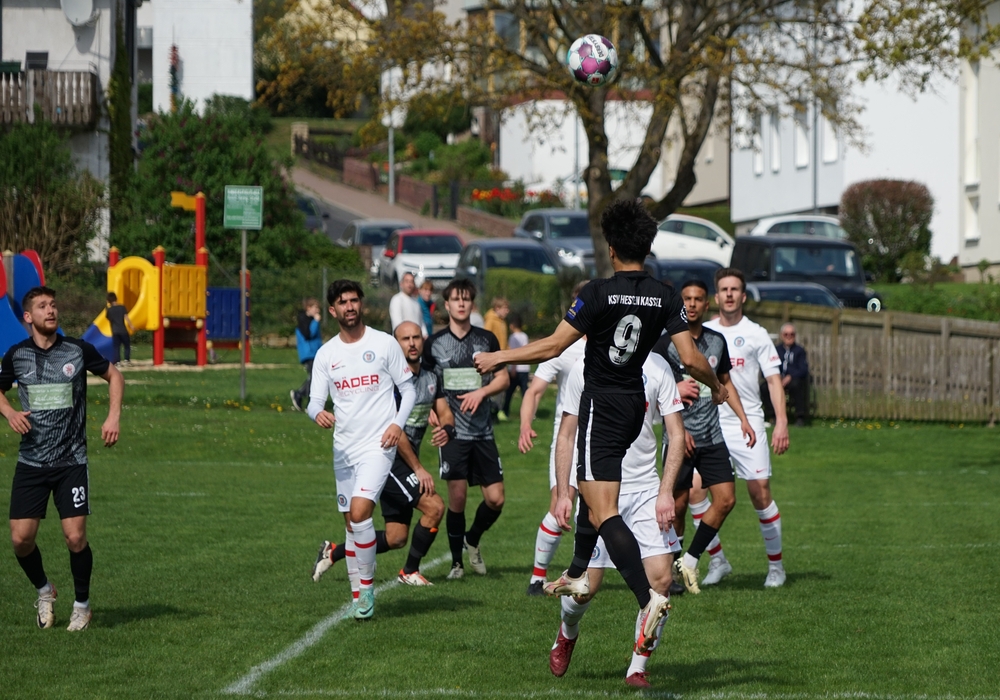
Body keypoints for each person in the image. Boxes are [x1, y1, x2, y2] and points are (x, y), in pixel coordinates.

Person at [474, 198, 726, 652]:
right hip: (633, 406)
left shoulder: (596, 293)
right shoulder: (665, 294)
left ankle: (646, 600)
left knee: (602, 508)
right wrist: (718, 386)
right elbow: (690, 358)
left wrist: (499, 357)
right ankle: (575, 571)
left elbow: (553, 347)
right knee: (593, 499)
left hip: (600, 405)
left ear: (611, 249)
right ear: (646, 248)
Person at [548, 351, 685, 688]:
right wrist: (563, 491)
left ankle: (637, 668)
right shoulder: (586, 365)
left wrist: (666, 490)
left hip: (645, 491)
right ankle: (567, 633)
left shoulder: (658, 366)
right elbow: (566, 435)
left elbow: (677, 434)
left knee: (662, 581)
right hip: (599, 488)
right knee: (585, 590)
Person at [0, 286, 124, 631]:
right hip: (31, 462)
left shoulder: (77, 350)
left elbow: (115, 375)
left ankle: (82, 605)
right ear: (28, 317)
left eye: (53, 305)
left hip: (71, 462)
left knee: (75, 537)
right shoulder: (16, 355)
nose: (50, 310)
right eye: (42, 306)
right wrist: (9, 413)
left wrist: (113, 416)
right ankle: (44, 590)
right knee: (21, 540)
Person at [312, 322, 454, 586]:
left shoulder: (431, 376)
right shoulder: (388, 379)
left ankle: (334, 551)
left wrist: (447, 429)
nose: (411, 343)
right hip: (389, 458)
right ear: (393, 343)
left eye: (416, 338)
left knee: (396, 537)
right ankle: (409, 571)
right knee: (434, 507)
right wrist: (419, 469)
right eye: (404, 339)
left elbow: (446, 413)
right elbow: (393, 431)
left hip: (405, 460)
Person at [306, 280, 416, 619]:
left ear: (362, 305)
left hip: (378, 446)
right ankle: (359, 601)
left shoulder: (384, 344)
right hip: (344, 450)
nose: (350, 306)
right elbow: (312, 402)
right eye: (343, 302)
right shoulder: (326, 354)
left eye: (355, 300)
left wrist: (397, 424)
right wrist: (318, 413)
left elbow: (409, 390)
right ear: (333, 310)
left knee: (360, 514)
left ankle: (366, 589)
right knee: (352, 528)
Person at [651, 280, 755, 594]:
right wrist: (679, 430)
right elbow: (654, 390)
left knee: (726, 499)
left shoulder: (717, 341)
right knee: (678, 507)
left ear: (706, 304)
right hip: (679, 437)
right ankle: (667, 572)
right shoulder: (664, 344)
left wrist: (744, 420)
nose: (692, 304)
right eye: (687, 299)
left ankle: (692, 558)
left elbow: (724, 383)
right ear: (679, 304)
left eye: (698, 299)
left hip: (712, 436)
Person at [704, 268, 790, 588]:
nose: (729, 294)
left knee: (759, 492)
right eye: (723, 289)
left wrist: (780, 422)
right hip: (711, 423)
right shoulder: (704, 333)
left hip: (748, 421)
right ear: (717, 296)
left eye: (734, 289)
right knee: (699, 491)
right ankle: (717, 561)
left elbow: (773, 381)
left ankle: (776, 568)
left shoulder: (756, 334)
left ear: (743, 296)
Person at [423, 278, 509, 579]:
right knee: (457, 498)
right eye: (455, 299)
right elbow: (428, 385)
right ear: (446, 305)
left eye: (466, 299)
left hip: (483, 431)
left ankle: (473, 538)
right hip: (453, 432)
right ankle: (457, 563)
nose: (461, 304)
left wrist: (481, 393)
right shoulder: (434, 344)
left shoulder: (486, 339)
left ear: (472, 304)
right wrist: (433, 411)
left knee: (496, 499)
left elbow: (503, 379)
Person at [518, 281, 588, 596]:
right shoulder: (562, 347)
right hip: (568, 440)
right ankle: (537, 578)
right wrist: (524, 424)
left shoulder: (616, 345)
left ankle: (584, 573)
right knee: (561, 505)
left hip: (607, 441)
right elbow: (534, 390)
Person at [773, 323, 810, 426]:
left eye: (791, 334)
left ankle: (799, 417)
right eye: (786, 334)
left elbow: (803, 369)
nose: (789, 336)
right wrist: (777, 377)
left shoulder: (799, 350)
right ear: (781, 335)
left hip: (793, 379)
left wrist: (790, 376)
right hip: (777, 378)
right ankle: (772, 416)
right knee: (764, 387)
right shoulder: (776, 350)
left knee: (797, 385)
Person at [290, 298, 322, 412]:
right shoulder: (305, 320)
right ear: (309, 308)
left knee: (315, 378)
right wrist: (316, 322)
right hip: (309, 353)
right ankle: (308, 402)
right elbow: (309, 335)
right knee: (313, 378)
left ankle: (299, 394)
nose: (318, 311)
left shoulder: (311, 320)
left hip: (315, 353)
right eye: (315, 308)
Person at [499, 312, 529, 422]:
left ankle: (504, 411)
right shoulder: (525, 336)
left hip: (516, 369)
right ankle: (529, 412)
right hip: (525, 369)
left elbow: (514, 353)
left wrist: (513, 368)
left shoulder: (512, 337)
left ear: (511, 326)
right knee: (525, 393)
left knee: (509, 392)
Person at [105, 292, 135, 367]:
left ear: (108, 301)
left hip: (115, 331)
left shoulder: (109, 310)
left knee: (116, 347)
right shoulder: (122, 307)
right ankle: (127, 360)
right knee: (127, 345)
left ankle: (118, 362)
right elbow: (126, 317)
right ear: (116, 298)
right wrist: (131, 326)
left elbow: (109, 319)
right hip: (123, 330)